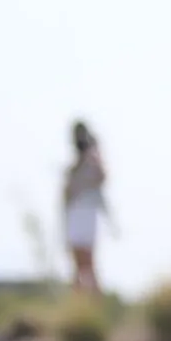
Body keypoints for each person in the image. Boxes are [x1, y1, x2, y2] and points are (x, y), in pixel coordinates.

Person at [61, 120, 113, 293]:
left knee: (88, 264)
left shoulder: (92, 159)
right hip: (74, 213)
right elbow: (67, 192)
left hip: (87, 213)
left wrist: (93, 152)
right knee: (77, 265)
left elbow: (102, 178)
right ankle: (77, 307)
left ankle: (95, 307)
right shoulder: (74, 165)